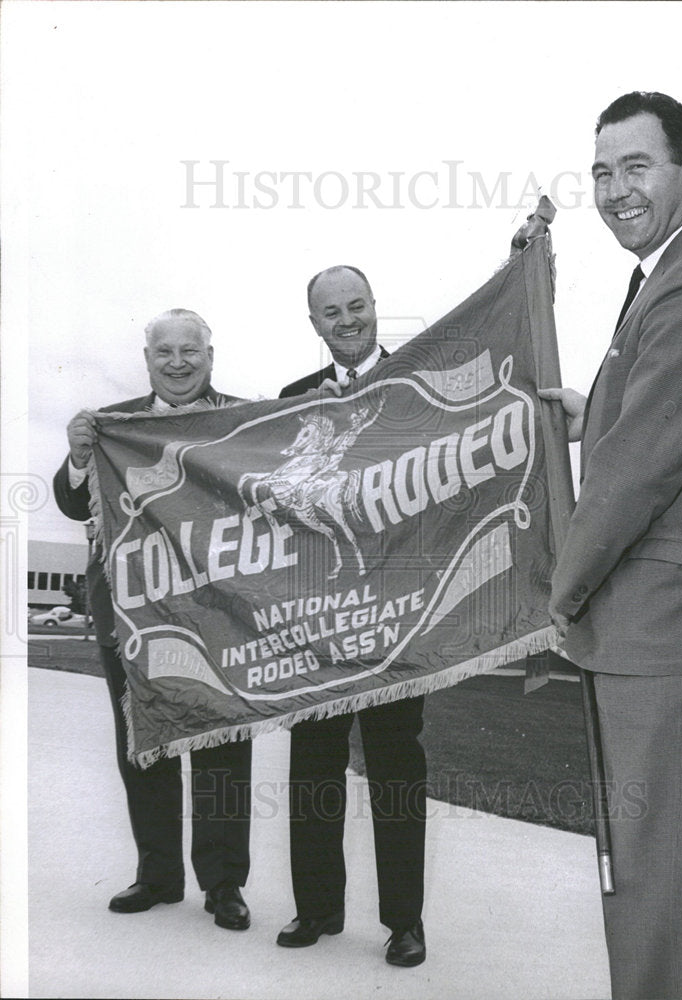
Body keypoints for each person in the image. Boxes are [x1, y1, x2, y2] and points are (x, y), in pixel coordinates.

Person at [517, 92, 682, 1000]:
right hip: (660, 632)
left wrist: (554, 594)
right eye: (601, 171)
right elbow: (660, 431)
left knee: (657, 890)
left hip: (673, 632)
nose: (615, 189)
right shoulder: (674, 272)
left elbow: (636, 474)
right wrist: (597, 416)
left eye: (637, 166)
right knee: (639, 882)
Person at [53, 308, 253, 930]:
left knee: (222, 736)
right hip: (130, 610)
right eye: (163, 352)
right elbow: (67, 500)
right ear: (147, 361)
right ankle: (158, 875)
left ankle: (224, 885)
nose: (177, 362)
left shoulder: (245, 419)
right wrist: (80, 459)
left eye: (189, 350)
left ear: (210, 356)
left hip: (222, 610)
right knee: (143, 741)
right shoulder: (117, 426)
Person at [275, 266, 428, 968]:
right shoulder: (289, 402)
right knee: (312, 766)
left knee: (396, 768)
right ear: (314, 325)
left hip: (394, 614)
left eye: (356, 306)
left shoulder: (415, 381)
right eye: (330, 312)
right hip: (319, 617)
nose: (346, 320)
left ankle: (404, 922)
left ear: (375, 307)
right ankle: (317, 910)